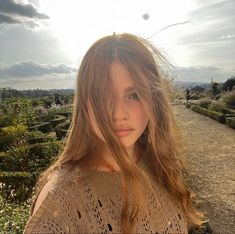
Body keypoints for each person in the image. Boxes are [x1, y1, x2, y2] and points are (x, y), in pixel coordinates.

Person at [24, 33, 205, 233]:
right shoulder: (61, 201)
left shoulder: (160, 164)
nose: (119, 113)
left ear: (154, 100)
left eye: (134, 95)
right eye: (103, 96)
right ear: (85, 104)